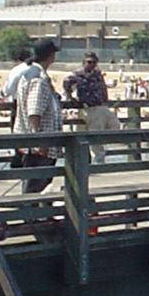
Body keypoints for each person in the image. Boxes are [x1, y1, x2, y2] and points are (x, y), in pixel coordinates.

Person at [13, 38, 62, 193]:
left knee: (39, 183)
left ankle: (35, 215)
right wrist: (39, 141)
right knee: (35, 184)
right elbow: (34, 112)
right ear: (51, 55)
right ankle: (30, 216)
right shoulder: (38, 79)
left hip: (35, 142)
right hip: (38, 145)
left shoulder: (32, 74)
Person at [62, 51, 119, 143]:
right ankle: (95, 155)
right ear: (84, 62)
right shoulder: (78, 74)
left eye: (94, 62)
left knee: (115, 124)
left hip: (101, 106)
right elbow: (66, 82)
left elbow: (103, 86)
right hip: (88, 108)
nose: (92, 64)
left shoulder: (97, 74)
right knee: (95, 140)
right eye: (89, 62)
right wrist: (70, 97)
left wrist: (105, 98)